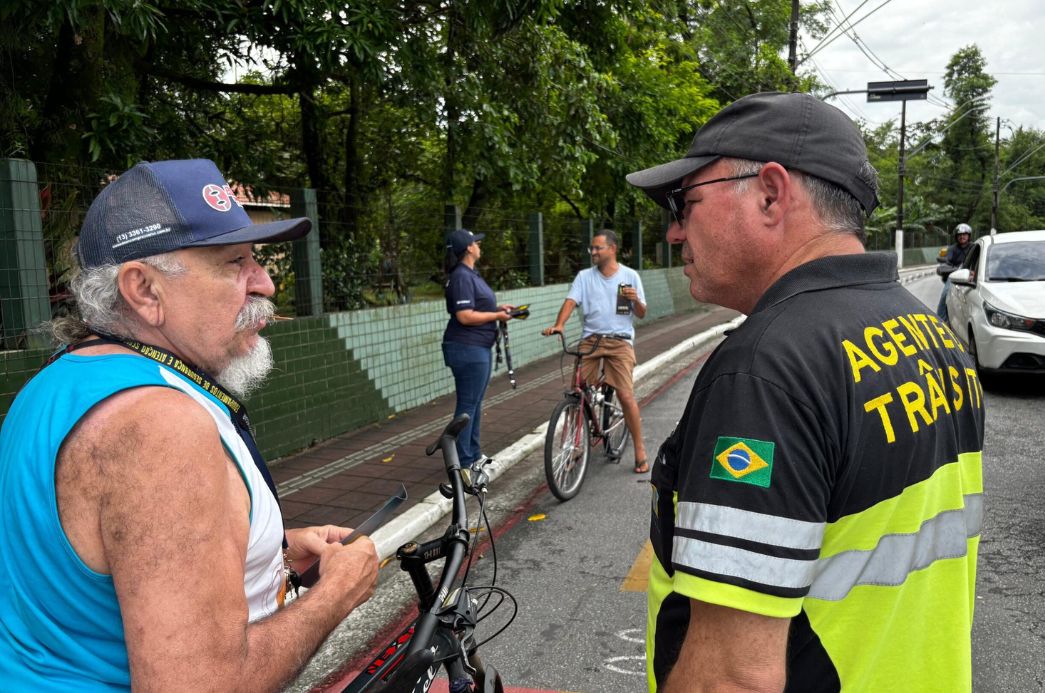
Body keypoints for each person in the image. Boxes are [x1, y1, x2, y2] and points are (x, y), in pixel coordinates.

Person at [626, 92, 985, 692]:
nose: (673, 232)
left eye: (685, 203)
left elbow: (733, 680)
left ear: (770, 193)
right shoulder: (932, 335)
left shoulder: (766, 369)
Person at [0, 159, 379, 691]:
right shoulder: (158, 423)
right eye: (234, 263)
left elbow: (91, 576)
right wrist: (336, 593)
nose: (265, 283)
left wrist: (269, 552)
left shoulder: (58, 380)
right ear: (145, 290)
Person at [541, 230, 649, 473]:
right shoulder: (584, 277)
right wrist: (560, 324)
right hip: (591, 340)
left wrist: (635, 301)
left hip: (620, 341)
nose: (594, 252)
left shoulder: (630, 276)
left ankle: (640, 449)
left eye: (598, 248)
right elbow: (570, 301)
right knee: (577, 391)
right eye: (592, 248)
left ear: (612, 249)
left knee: (625, 395)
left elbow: (641, 313)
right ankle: (575, 444)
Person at [442, 228, 514, 469]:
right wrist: (496, 314)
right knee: (468, 405)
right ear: (468, 248)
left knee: (475, 403)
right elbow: (464, 315)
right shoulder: (462, 276)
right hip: (467, 348)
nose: (479, 245)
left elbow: (476, 307)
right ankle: (462, 460)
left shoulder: (470, 274)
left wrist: (498, 308)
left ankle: (473, 454)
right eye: (476, 242)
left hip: (476, 347)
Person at [936, 222, 973, 321]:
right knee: (945, 294)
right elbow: (947, 262)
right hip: (955, 276)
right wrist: (954, 269)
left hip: (972, 276)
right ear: (956, 237)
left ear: (969, 236)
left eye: (964, 234)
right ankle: (940, 321)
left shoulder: (973, 247)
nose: (962, 237)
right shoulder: (952, 249)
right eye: (960, 235)